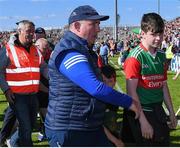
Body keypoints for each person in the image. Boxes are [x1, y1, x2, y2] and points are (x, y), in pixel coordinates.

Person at [45, 5, 140, 147]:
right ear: (77, 26)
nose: (98, 29)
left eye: (98, 24)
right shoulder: (69, 51)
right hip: (70, 129)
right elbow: (95, 88)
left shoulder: (84, 49)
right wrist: (129, 101)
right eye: (93, 24)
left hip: (88, 125)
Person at [121, 12, 177, 146]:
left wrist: (171, 112)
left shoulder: (162, 56)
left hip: (157, 110)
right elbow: (131, 92)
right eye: (154, 34)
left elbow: (163, 85)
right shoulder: (135, 57)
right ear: (143, 33)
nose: (158, 38)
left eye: (160, 33)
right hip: (141, 112)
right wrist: (143, 122)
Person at [0, 20, 48, 146]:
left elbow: (43, 67)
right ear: (19, 31)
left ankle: (12, 141)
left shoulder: (35, 49)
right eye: (28, 31)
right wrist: (6, 89)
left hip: (33, 95)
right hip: (17, 96)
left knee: (30, 124)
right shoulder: (8, 49)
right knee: (26, 127)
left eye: (33, 31)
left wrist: (54, 77)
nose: (32, 34)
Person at [101, 65, 124, 147]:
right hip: (100, 138)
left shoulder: (115, 97)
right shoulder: (97, 101)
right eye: (104, 81)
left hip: (112, 135)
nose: (107, 85)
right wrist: (116, 141)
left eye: (110, 81)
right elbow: (99, 125)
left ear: (115, 82)